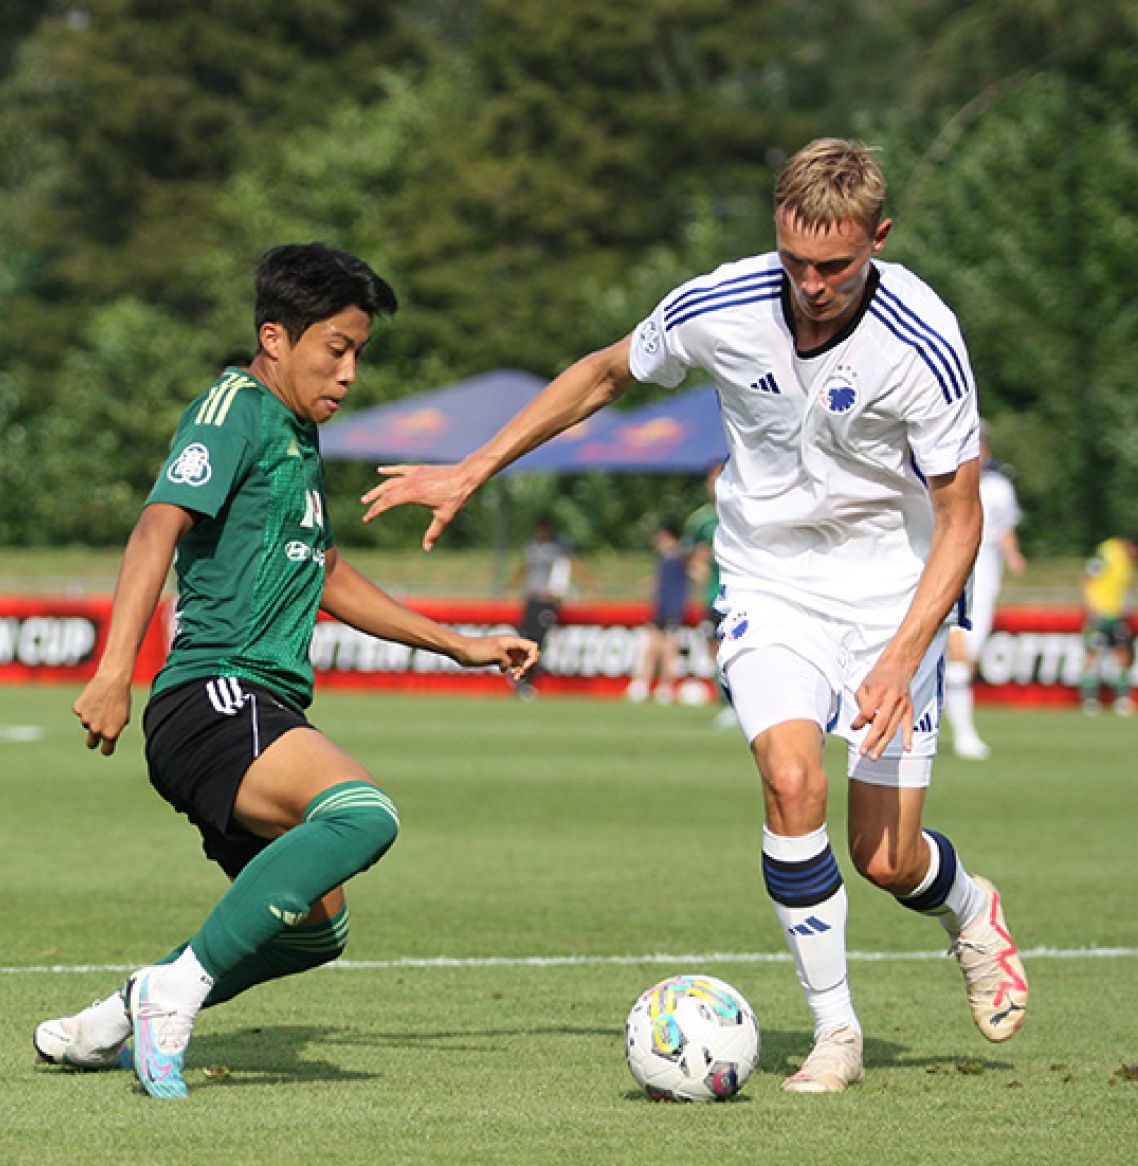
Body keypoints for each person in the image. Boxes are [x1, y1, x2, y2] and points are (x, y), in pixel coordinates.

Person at [361, 139, 1028, 1093]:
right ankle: (836, 1031)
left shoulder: (923, 339)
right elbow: (600, 374)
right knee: (791, 783)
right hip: (767, 580)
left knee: (885, 857)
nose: (810, 284)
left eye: (835, 266)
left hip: (894, 593)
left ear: (879, 240)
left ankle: (970, 908)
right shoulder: (718, 304)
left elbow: (959, 518)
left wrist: (903, 653)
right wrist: (473, 467)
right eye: (794, 260)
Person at [31, 243, 537, 1100]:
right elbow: (157, 527)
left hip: (252, 707)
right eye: (334, 348)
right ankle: (174, 994)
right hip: (214, 693)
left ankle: (123, 1013)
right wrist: (115, 668)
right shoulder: (233, 407)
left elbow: (326, 573)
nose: (347, 372)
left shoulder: (296, 437)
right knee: (362, 814)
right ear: (276, 337)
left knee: (314, 933)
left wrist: (460, 643)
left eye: (358, 355)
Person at [945, 454, 1026, 755]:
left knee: (968, 654)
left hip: (986, 570)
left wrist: (1013, 555)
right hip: (947, 563)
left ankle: (950, 725)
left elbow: (1005, 527)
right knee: (958, 650)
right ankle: (964, 735)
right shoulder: (937, 475)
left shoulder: (998, 488)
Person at [682, 461, 740, 729]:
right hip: (714, 596)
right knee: (717, 650)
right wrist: (698, 568)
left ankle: (742, 705)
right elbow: (692, 557)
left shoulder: (745, 512)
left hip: (745, 594)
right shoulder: (702, 520)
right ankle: (726, 703)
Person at [510, 518, 579, 697]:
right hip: (532, 600)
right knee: (524, 638)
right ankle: (520, 676)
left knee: (538, 642)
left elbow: (569, 569)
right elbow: (523, 569)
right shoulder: (531, 550)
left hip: (547, 602)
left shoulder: (557, 552)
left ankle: (529, 680)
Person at [628, 524, 688, 704]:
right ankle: (642, 685)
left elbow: (697, 569)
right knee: (651, 647)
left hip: (673, 609)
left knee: (669, 649)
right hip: (659, 608)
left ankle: (666, 687)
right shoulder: (661, 558)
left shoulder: (680, 556)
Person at [1078, 532, 1135, 716]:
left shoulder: (1128, 562)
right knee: (1093, 653)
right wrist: (1090, 606)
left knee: (1123, 653)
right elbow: (1088, 576)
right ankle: (1089, 699)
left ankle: (1122, 698)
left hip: (1116, 614)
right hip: (1099, 613)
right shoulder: (1107, 551)